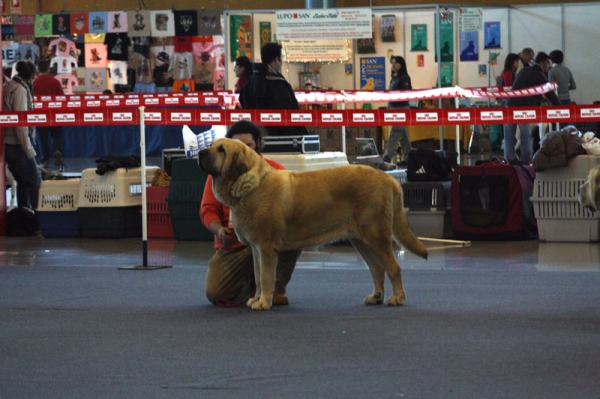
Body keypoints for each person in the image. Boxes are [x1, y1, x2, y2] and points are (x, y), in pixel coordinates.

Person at [200, 120, 302, 307]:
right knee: (214, 293)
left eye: (248, 146)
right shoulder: (216, 176)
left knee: (291, 236)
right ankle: (254, 287)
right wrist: (219, 230)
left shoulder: (276, 171)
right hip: (232, 248)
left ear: (258, 145)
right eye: (237, 146)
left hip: (269, 239)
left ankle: (274, 290)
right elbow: (207, 210)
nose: (242, 152)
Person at [239, 42, 308, 136]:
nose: (282, 62)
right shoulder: (277, 82)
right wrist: (298, 134)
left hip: (257, 135)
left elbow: (243, 100)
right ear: (276, 59)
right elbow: (285, 114)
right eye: (281, 58)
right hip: (280, 138)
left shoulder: (251, 80)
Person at [504, 52, 560, 163]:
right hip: (524, 109)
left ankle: (508, 160)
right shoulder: (539, 74)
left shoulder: (524, 70)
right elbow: (550, 93)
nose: (549, 66)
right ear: (541, 63)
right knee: (526, 136)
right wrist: (560, 107)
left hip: (510, 106)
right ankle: (527, 160)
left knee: (509, 136)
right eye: (548, 63)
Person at [4, 61, 41, 209]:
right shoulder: (20, 90)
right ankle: (40, 220)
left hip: (8, 142)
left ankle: (25, 217)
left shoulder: (9, 86)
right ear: (32, 76)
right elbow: (21, 123)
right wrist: (28, 149)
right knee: (35, 183)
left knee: (23, 183)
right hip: (16, 144)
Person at [32, 60, 65, 169]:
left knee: (43, 138)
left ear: (38, 69)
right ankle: (57, 150)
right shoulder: (55, 82)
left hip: (41, 115)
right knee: (57, 135)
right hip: (55, 113)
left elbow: (31, 98)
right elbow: (62, 97)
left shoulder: (35, 82)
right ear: (48, 69)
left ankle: (45, 159)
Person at [382, 55, 412, 166]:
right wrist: (389, 105)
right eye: (392, 63)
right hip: (394, 108)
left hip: (401, 108)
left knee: (395, 132)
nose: (393, 65)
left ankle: (387, 156)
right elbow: (390, 93)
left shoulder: (404, 78)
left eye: (396, 63)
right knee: (403, 134)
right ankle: (409, 157)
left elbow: (406, 93)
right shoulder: (394, 77)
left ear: (401, 65)